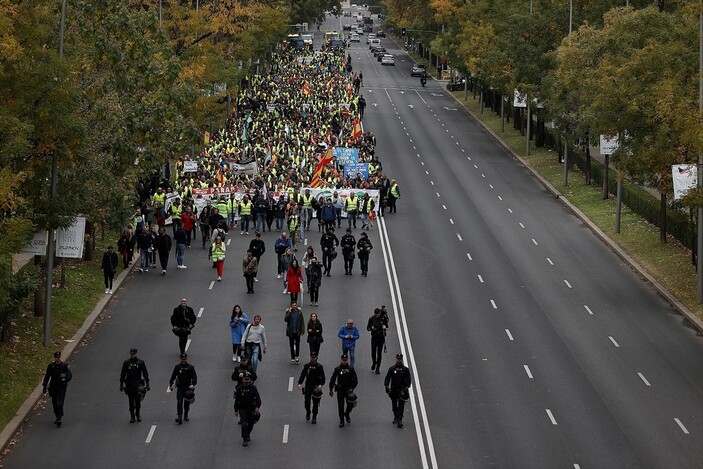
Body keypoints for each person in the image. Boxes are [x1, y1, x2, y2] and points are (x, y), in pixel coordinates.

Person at [42, 351, 72, 427]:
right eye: (56, 357)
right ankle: (56, 415)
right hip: (53, 386)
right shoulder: (51, 366)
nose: (58, 359)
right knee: (54, 402)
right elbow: (47, 377)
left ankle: (59, 417)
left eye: (59, 357)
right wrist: (44, 386)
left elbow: (69, 374)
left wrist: (65, 379)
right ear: (54, 358)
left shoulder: (64, 366)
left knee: (60, 402)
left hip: (62, 387)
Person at [119, 348, 150, 423]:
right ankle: (132, 416)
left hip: (137, 384)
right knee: (131, 400)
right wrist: (121, 384)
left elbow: (145, 373)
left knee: (138, 400)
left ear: (136, 353)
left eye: (133, 354)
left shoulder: (140, 362)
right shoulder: (126, 363)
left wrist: (147, 383)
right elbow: (123, 374)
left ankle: (138, 414)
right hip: (129, 384)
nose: (132, 355)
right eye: (131, 354)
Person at [329, 354, 358, 428]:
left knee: (350, 405)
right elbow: (333, 379)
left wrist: (352, 388)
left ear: (347, 360)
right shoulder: (337, 369)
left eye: (346, 360)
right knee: (340, 405)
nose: (344, 361)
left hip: (349, 390)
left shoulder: (351, 369)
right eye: (343, 360)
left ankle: (347, 414)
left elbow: (355, 380)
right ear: (341, 360)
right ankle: (341, 420)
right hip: (340, 390)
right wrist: (331, 389)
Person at [297, 352, 326, 424]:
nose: (312, 359)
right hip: (308, 386)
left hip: (316, 386)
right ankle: (308, 412)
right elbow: (303, 375)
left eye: (314, 357)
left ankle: (314, 417)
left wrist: (321, 385)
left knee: (315, 403)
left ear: (316, 358)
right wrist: (300, 383)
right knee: (307, 401)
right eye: (311, 357)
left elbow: (323, 377)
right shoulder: (307, 366)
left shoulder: (319, 367)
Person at [384, 353, 412, 428]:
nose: (399, 360)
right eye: (398, 359)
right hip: (393, 389)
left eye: (400, 359)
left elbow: (408, 379)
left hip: (401, 389)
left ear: (402, 359)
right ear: (396, 359)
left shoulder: (405, 370)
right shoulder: (392, 369)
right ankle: (395, 416)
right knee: (394, 404)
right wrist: (386, 386)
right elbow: (387, 378)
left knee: (401, 405)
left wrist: (406, 387)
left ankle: (400, 419)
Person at [169, 353, 197, 424]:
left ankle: (186, 414)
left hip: (188, 387)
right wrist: (171, 385)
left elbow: (194, 376)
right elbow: (173, 376)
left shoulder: (190, 367)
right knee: (179, 401)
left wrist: (193, 384)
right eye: (182, 359)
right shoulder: (177, 367)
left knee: (187, 402)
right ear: (180, 359)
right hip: (180, 387)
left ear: (187, 359)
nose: (183, 361)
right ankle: (179, 416)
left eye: (184, 359)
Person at [234, 374, 261, 446]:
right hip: (243, 408)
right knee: (244, 423)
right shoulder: (239, 389)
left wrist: (257, 407)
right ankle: (244, 438)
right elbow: (237, 400)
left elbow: (258, 399)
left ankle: (248, 433)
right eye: (245, 380)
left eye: (247, 380)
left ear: (250, 381)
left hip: (251, 408)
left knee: (251, 423)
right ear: (243, 381)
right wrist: (236, 410)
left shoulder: (253, 388)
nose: (246, 382)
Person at [367, 307, 388, 374]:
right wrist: (371, 328)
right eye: (376, 315)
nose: (377, 316)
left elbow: (387, 326)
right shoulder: (371, 319)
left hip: (381, 338)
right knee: (373, 352)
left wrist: (385, 328)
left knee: (379, 353)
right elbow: (368, 328)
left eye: (378, 314)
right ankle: (374, 362)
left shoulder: (383, 319)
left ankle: (378, 368)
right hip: (374, 337)